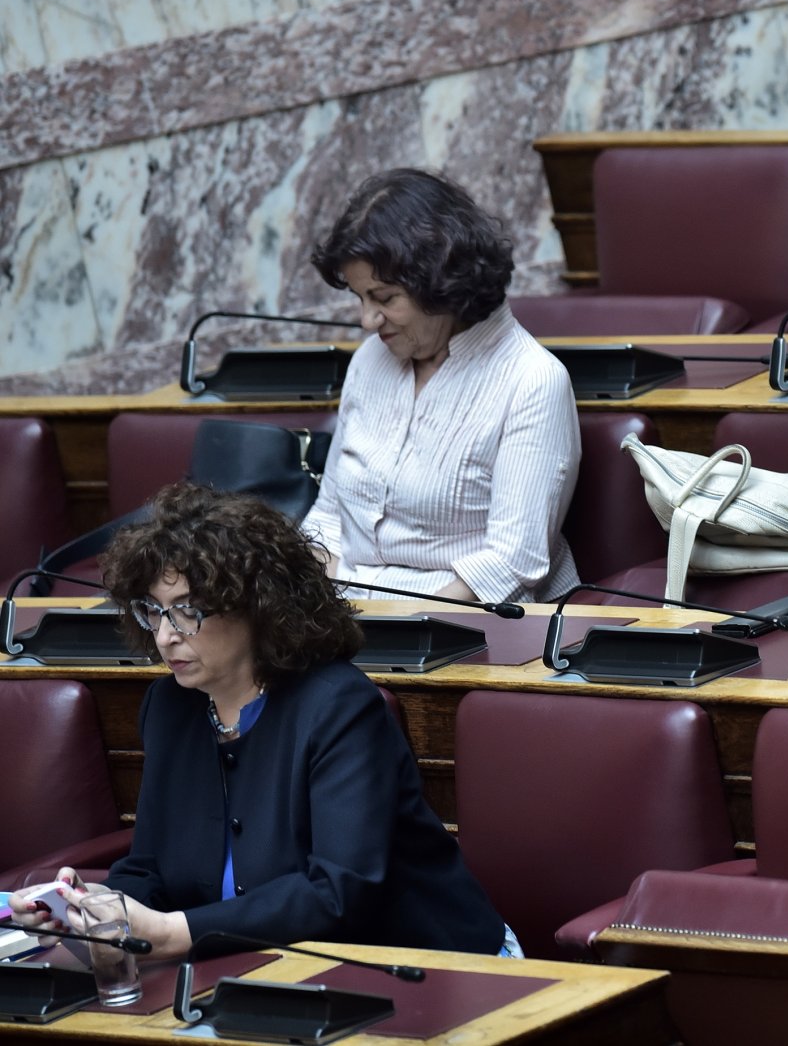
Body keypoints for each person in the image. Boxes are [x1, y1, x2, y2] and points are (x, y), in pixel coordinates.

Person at [3, 484, 508, 958]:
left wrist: (173, 931)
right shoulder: (170, 706)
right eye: (153, 611)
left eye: (187, 611)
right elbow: (148, 866)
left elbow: (340, 892)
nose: (164, 635)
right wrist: (94, 909)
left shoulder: (339, 706)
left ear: (256, 607)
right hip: (253, 966)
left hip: (428, 961)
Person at [305, 168, 580, 603]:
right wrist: (324, 603)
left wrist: (392, 620)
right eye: (360, 298)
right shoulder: (369, 361)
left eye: (384, 298)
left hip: (461, 622)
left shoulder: (531, 381)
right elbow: (327, 518)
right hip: (346, 610)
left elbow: (511, 564)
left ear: (441, 283)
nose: (367, 320)